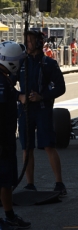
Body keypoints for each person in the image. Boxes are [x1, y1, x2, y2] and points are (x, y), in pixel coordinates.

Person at [16, 31, 67, 196]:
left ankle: (59, 183)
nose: (27, 44)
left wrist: (42, 97)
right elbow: (8, 83)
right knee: (26, 148)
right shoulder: (20, 62)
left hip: (43, 110)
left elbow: (61, 88)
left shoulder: (49, 64)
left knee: (48, 146)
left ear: (38, 43)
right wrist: (20, 96)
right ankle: (30, 184)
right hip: (25, 111)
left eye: (29, 41)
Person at [0, 41, 31, 229]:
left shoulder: (5, 80)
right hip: (3, 141)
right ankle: (9, 217)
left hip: (5, 139)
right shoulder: (3, 83)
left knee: (6, 180)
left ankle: (9, 216)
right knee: (4, 181)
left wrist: (19, 95)